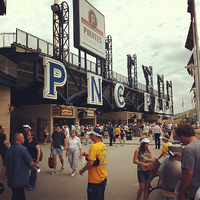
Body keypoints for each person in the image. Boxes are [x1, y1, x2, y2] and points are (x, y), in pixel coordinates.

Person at [0, 133, 40, 200]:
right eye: (23, 137)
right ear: (19, 139)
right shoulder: (23, 149)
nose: (24, 139)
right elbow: (30, 163)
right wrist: (36, 165)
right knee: (19, 196)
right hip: (20, 179)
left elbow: (4, 167)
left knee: (16, 195)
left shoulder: (9, 150)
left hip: (12, 179)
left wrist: (1, 179)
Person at [173, 123, 200, 200]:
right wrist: (182, 159)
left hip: (193, 192)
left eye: (178, 137)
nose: (180, 140)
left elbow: (188, 175)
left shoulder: (188, 149)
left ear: (182, 135)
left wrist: (181, 194)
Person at [79, 128, 107, 200]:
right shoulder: (103, 146)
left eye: (91, 135)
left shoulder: (93, 147)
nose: (90, 136)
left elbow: (91, 163)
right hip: (103, 177)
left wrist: (82, 170)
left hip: (95, 179)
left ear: (94, 135)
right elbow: (98, 158)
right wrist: (88, 155)